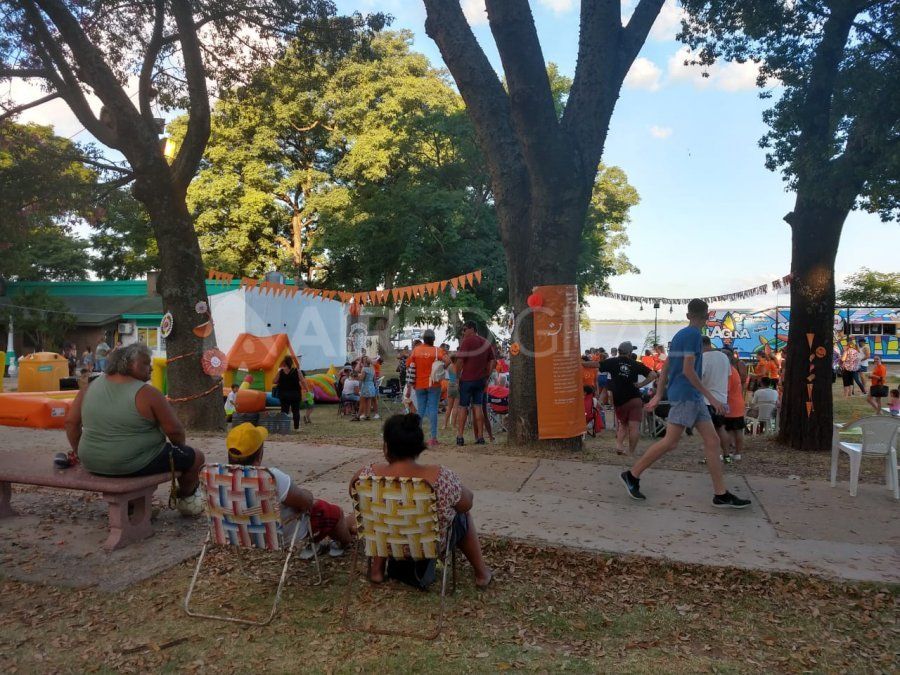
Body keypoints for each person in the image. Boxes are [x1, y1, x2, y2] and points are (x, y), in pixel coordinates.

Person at [621, 299, 751, 508]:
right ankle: (632, 475)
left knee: (712, 441)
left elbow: (667, 367)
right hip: (687, 395)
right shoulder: (692, 336)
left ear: (688, 314)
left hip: (689, 396)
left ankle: (720, 494)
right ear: (707, 315)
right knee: (671, 442)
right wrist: (712, 397)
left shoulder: (681, 335)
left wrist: (659, 393)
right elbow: (689, 371)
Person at [350, 414, 492, 588]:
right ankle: (481, 573)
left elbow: (354, 496)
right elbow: (466, 503)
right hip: (426, 547)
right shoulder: (440, 477)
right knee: (463, 514)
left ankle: (377, 570)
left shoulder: (366, 475)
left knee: (381, 511)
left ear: (386, 446)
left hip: (386, 544)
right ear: (419, 446)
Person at [64, 343, 205, 515]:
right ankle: (186, 501)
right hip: (134, 463)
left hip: (92, 461)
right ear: (130, 364)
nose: (151, 368)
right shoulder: (148, 393)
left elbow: (71, 423)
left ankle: (136, 505)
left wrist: (79, 453)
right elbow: (175, 432)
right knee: (196, 457)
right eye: (146, 363)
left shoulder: (89, 388)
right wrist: (179, 448)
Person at [227, 423, 352, 558]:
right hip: (279, 535)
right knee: (331, 511)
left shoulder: (215, 476)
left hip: (237, 533)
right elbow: (305, 503)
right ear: (259, 453)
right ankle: (344, 542)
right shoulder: (271, 477)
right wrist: (308, 494)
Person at [599, 341, 657, 455]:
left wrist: (580, 362)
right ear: (630, 353)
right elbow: (653, 375)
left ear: (619, 351)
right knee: (634, 427)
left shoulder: (612, 362)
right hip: (634, 398)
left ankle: (619, 446)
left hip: (619, 400)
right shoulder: (635, 364)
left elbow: (596, 365)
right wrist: (641, 384)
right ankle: (631, 451)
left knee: (623, 424)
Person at [455, 321, 495, 446]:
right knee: (478, 407)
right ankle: (480, 437)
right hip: (481, 380)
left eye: (465, 329)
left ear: (472, 329)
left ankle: (460, 437)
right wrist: (487, 376)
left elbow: (460, 361)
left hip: (467, 379)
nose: (463, 332)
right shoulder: (486, 342)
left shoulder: (466, 342)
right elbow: (493, 361)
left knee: (463, 407)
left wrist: (457, 377)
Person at [405, 329, 449, 446]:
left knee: (420, 410)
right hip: (434, 384)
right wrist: (441, 368)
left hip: (419, 384)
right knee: (433, 410)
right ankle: (433, 438)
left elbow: (408, 364)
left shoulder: (416, 350)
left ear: (424, 339)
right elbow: (448, 361)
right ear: (433, 339)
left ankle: (417, 437)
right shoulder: (437, 351)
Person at [700, 336, 732, 444]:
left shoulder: (703, 357)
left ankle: (711, 455)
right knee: (721, 428)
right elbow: (728, 375)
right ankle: (726, 455)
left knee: (709, 432)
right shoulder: (724, 357)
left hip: (707, 400)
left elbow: (697, 378)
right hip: (722, 399)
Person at [721, 349, 746, 462]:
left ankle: (733, 452)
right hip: (737, 403)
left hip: (731, 405)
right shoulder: (733, 370)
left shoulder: (728, 372)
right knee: (735, 430)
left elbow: (725, 390)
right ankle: (736, 453)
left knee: (730, 430)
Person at [274, 355, 303, 430]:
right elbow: (302, 380)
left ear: (284, 362)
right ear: (291, 362)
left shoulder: (281, 371)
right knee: (296, 411)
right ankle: (296, 428)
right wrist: (307, 390)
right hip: (295, 394)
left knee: (284, 411)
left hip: (284, 395)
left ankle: (284, 428)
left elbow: (274, 381)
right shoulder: (297, 371)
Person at [358, 355, 378, 421]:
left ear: (364, 362)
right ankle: (368, 415)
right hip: (371, 386)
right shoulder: (372, 368)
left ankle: (358, 416)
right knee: (369, 402)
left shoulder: (364, 369)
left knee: (362, 401)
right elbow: (374, 379)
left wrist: (358, 375)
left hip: (366, 385)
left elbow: (362, 378)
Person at [443, 355, 460, 430]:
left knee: (449, 407)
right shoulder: (458, 367)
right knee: (455, 407)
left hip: (450, 386)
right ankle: (453, 425)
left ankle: (445, 425)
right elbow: (458, 378)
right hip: (456, 386)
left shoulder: (449, 366)